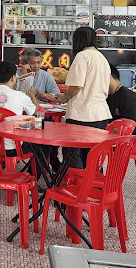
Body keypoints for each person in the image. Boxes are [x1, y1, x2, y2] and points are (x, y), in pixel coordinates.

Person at [52, 27, 112, 168]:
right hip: (100, 114)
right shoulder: (102, 58)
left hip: (82, 114)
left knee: (73, 155)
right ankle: (93, 185)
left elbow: (76, 87)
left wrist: (64, 97)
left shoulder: (82, 56)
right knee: (93, 156)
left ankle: (77, 187)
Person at [0, 61, 40, 156]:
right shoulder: (20, 96)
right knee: (40, 127)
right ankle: (34, 171)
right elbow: (35, 112)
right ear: (13, 78)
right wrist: (32, 95)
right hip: (12, 148)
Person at [107, 64, 136, 153]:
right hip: (118, 137)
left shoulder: (128, 98)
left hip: (129, 141)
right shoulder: (111, 96)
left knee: (90, 145)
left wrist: (104, 129)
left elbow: (128, 129)